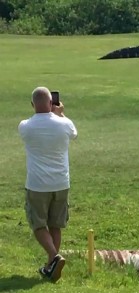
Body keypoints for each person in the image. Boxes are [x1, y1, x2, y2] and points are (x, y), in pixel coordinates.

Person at [18, 86, 78, 282]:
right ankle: (51, 267)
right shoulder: (64, 123)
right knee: (55, 225)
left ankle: (53, 257)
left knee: (38, 224)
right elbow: (73, 133)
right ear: (52, 103)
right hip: (61, 182)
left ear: (32, 104)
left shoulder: (25, 126)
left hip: (37, 184)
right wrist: (60, 115)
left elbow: (31, 127)